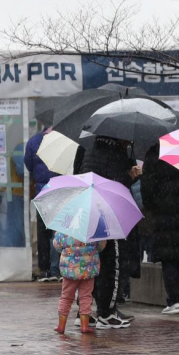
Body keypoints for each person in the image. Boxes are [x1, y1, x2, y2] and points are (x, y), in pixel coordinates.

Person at [78, 135, 140, 329]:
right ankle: (106, 311)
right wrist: (130, 175)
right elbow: (114, 182)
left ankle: (85, 310)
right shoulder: (112, 152)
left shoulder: (92, 148)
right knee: (111, 263)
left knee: (91, 262)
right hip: (108, 212)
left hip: (91, 208)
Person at [140, 145, 179, 315]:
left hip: (163, 214)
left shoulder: (154, 152)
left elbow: (147, 190)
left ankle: (174, 299)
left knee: (168, 258)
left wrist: (153, 205)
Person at [24, 125, 59, 282]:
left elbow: (28, 164)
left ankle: (44, 268)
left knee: (43, 232)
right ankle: (57, 268)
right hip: (60, 192)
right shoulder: (63, 141)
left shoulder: (34, 141)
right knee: (58, 231)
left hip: (42, 192)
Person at [54, 235, 103, 335]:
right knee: (85, 297)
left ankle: (61, 326)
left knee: (66, 297)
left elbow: (57, 245)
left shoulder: (64, 230)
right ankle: (84, 326)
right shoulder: (93, 231)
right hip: (88, 270)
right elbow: (100, 247)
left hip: (70, 271)